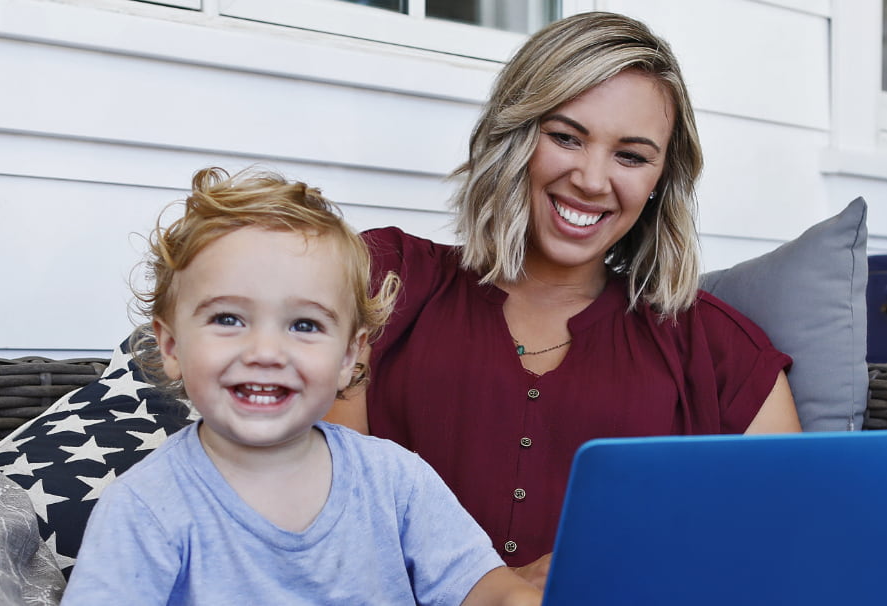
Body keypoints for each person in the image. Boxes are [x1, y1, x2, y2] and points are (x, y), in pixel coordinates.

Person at [323, 11, 803, 581]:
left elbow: (785, 551)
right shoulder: (387, 281)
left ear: (659, 180)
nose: (593, 180)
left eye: (631, 155)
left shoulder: (720, 349)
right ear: (515, 137)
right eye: (566, 137)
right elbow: (326, 522)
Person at [62, 167, 541, 605]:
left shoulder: (396, 481)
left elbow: (485, 589)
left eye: (305, 325)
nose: (266, 351)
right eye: (228, 318)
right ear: (170, 347)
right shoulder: (145, 508)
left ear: (348, 358)